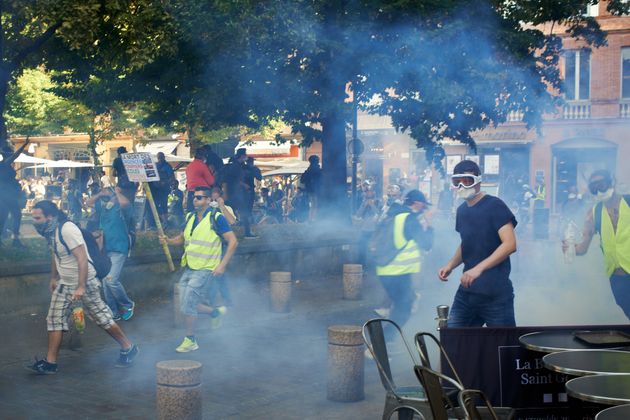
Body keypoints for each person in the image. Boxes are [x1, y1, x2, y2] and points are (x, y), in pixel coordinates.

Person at [27, 200, 138, 374]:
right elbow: (56, 254)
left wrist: (81, 287)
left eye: (37, 218)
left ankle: (128, 347)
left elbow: (81, 258)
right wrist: (53, 278)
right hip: (65, 283)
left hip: (85, 282)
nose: (35, 221)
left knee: (102, 318)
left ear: (50, 217)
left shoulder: (67, 229)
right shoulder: (51, 231)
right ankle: (50, 363)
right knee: (54, 319)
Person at [438, 160, 518, 327]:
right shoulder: (461, 211)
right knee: (454, 341)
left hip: (496, 295)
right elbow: (466, 243)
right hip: (467, 293)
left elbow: (510, 244)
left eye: (467, 181)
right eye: (456, 182)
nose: (461, 186)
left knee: (503, 347)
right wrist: (450, 265)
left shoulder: (495, 205)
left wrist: (478, 268)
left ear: (478, 181)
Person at [160, 186, 238, 352]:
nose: (196, 200)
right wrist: (168, 240)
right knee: (185, 304)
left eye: (200, 197)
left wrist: (222, 266)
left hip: (206, 268)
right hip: (189, 266)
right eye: (194, 197)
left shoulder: (217, 217)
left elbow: (233, 241)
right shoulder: (190, 217)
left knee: (188, 303)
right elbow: (183, 238)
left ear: (209, 200)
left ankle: (190, 339)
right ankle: (215, 312)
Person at [564, 169, 630, 319]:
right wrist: (570, 248)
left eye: (602, 185)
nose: (599, 190)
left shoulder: (628, 201)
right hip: (618, 279)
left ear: (611, 182)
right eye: (594, 188)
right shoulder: (594, 213)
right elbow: (582, 248)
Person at [375, 189, 432, 342]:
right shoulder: (409, 219)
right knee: (404, 308)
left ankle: (385, 342)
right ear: (417, 203)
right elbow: (426, 244)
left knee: (401, 304)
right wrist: (429, 225)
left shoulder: (394, 214)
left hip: (386, 269)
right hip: (397, 271)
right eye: (424, 207)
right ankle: (381, 344)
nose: (424, 210)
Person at [87, 187, 135, 321]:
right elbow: (88, 203)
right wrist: (100, 194)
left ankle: (128, 304)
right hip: (106, 250)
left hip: (119, 248)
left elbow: (126, 204)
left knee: (111, 280)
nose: (105, 194)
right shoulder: (104, 208)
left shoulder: (121, 208)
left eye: (108, 191)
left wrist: (117, 192)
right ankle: (114, 312)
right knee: (105, 282)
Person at [206, 186, 236, 310]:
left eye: (217, 194)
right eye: (212, 194)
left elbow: (233, 221)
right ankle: (225, 299)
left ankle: (212, 301)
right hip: (208, 245)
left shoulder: (226, 208)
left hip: (221, 244)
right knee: (216, 274)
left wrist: (222, 207)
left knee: (217, 272)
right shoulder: (205, 209)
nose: (215, 196)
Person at [0, 139, 29, 248]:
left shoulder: (4, 166)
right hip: (7, 195)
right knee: (17, 215)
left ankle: (12, 239)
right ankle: (15, 240)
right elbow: (15, 156)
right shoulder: (4, 164)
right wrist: (24, 145)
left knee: (3, 218)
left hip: (4, 195)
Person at [185, 148, 215, 213]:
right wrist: (212, 172)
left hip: (190, 193)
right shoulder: (202, 165)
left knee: (191, 213)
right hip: (202, 193)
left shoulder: (189, 166)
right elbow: (211, 181)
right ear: (203, 157)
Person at [301, 155, 322, 221]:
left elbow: (302, 180)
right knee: (315, 204)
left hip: (310, 190)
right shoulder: (317, 170)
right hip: (316, 190)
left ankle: (311, 218)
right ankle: (314, 219)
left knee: (313, 204)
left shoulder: (308, 170)